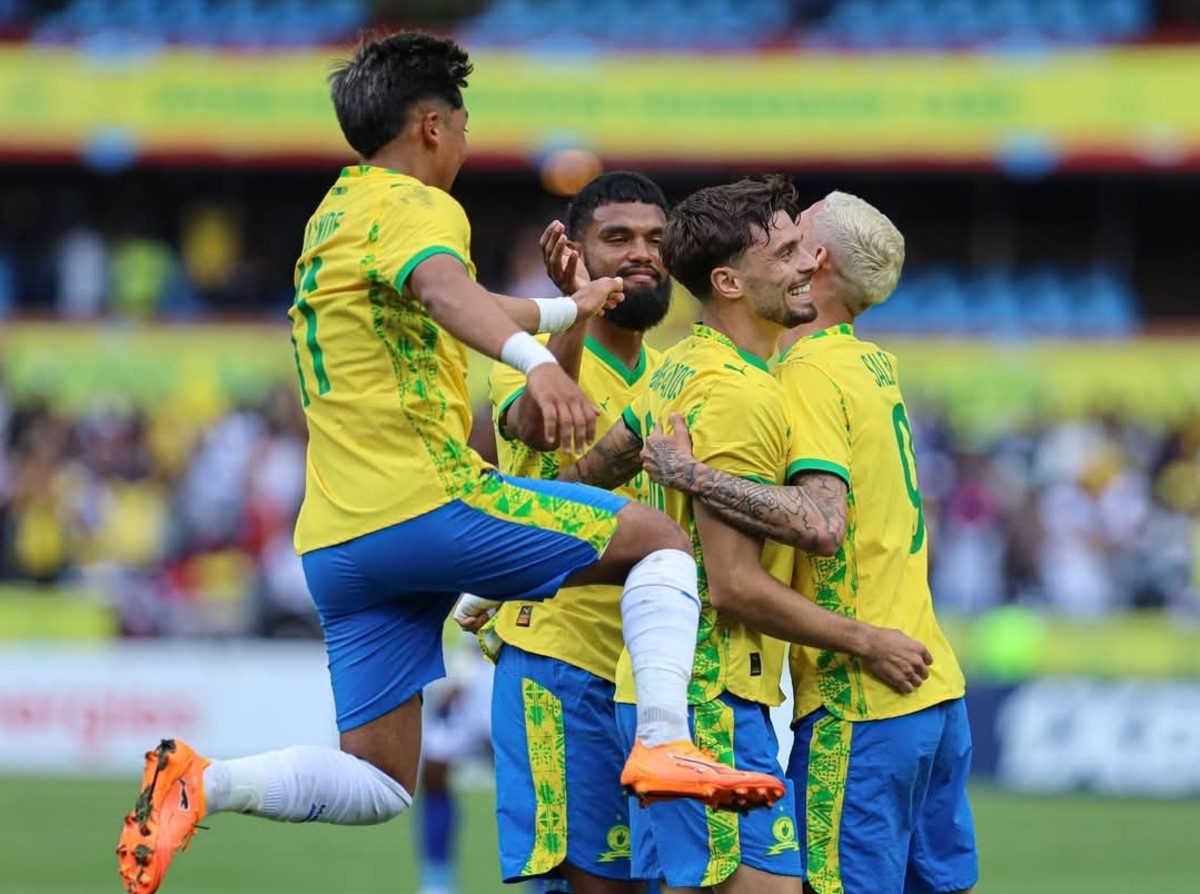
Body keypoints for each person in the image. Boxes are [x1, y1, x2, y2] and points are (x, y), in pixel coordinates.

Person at [114, 32, 782, 894]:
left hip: (337, 543)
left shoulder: (336, 216)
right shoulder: (419, 204)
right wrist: (538, 361)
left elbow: (449, 297)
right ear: (432, 126)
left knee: (382, 779)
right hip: (422, 502)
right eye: (464, 124)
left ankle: (202, 781)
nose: (466, 142)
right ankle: (662, 742)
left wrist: (559, 310)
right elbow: (442, 289)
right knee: (660, 543)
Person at [560, 177, 933, 893]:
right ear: (728, 280)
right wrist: (865, 639)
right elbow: (736, 583)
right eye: (787, 251)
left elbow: (582, 481)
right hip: (709, 692)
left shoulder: (682, 371)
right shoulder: (739, 392)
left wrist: (506, 566)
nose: (806, 265)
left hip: (678, 687)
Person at [639, 191, 978, 894]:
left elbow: (818, 523)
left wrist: (694, 476)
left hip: (866, 697)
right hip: (937, 691)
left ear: (814, 259)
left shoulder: (804, 376)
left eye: (797, 237)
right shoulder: (873, 368)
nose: (788, 242)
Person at [459, 171, 674, 894]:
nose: (641, 253)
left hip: (645, 680)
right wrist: (571, 315)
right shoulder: (526, 352)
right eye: (618, 239)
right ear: (574, 254)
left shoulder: (676, 376)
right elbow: (540, 435)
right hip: (562, 670)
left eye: (655, 239)